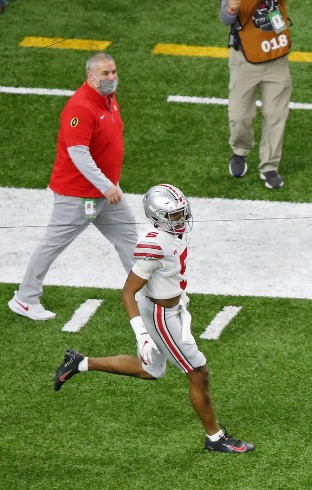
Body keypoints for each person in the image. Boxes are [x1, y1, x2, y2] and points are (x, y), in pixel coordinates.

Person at [52, 184, 256, 453]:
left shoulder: (171, 235)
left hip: (165, 307)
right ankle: (215, 438)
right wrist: (143, 334)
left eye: (182, 213)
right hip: (161, 315)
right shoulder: (154, 244)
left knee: (151, 370)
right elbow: (128, 292)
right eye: (174, 216)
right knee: (198, 372)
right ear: (158, 217)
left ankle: (80, 363)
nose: (181, 220)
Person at [8, 52, 137, 321]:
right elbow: (78, 153)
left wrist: (110, 184)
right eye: (105, 74)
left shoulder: (107, 100)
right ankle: (25, 298)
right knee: (53, 244)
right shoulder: (81, 107)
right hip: (80, 196)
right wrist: (105, 185)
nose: (112, 77)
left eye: (114, 72)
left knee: (128, 238)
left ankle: (147, 292)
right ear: (90, 76)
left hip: (105, 193)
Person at [221, 0, 293, 189]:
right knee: (239, 116)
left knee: (276, 115)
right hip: (244, 60)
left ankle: (269, 166)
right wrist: (231, 9)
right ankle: (240, 151)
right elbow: (225, 18)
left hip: (276, 58)